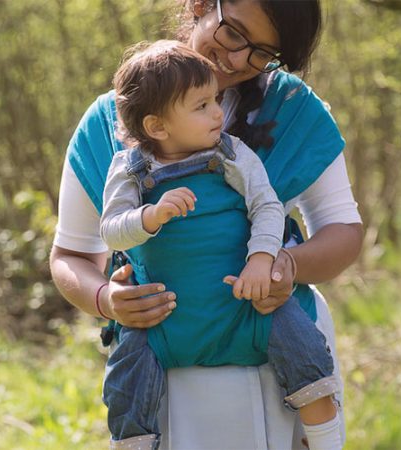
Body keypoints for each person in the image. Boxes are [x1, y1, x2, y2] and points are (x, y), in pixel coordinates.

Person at [49, 1, 363, 449]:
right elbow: (71, 256)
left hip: (279, 359)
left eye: (261, 53)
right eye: (234, 33)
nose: (237, 60)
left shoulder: (294, 111)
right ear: (201, 4)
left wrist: (286, 265)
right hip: (164, 364)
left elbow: (343, 232)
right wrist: (106, 299)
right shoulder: (109, 123)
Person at [100, 39, 341, 450]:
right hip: (164, 322)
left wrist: (262, 259)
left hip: (246, 304)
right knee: (126, 385)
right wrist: (149, 217)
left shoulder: (231, 153)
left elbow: (266, 206)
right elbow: (111, 230)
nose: (218, 113)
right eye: (201, 106)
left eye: (216, 100)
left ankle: (327, 442)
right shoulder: (130, 169)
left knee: (305, 353)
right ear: (157, 126)